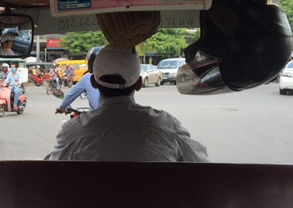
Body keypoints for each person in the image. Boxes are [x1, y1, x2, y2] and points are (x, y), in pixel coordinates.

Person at [47, 45, 209, 162]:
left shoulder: (73, 132)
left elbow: (49, 174)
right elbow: (201, 165)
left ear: (94, 83)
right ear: (138, 84)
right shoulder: (167, 125)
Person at [56, 47, 101, 112]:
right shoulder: (116, 77)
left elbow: (71, 95)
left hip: (97, 115)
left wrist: (62, 107)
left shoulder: (87, 78)